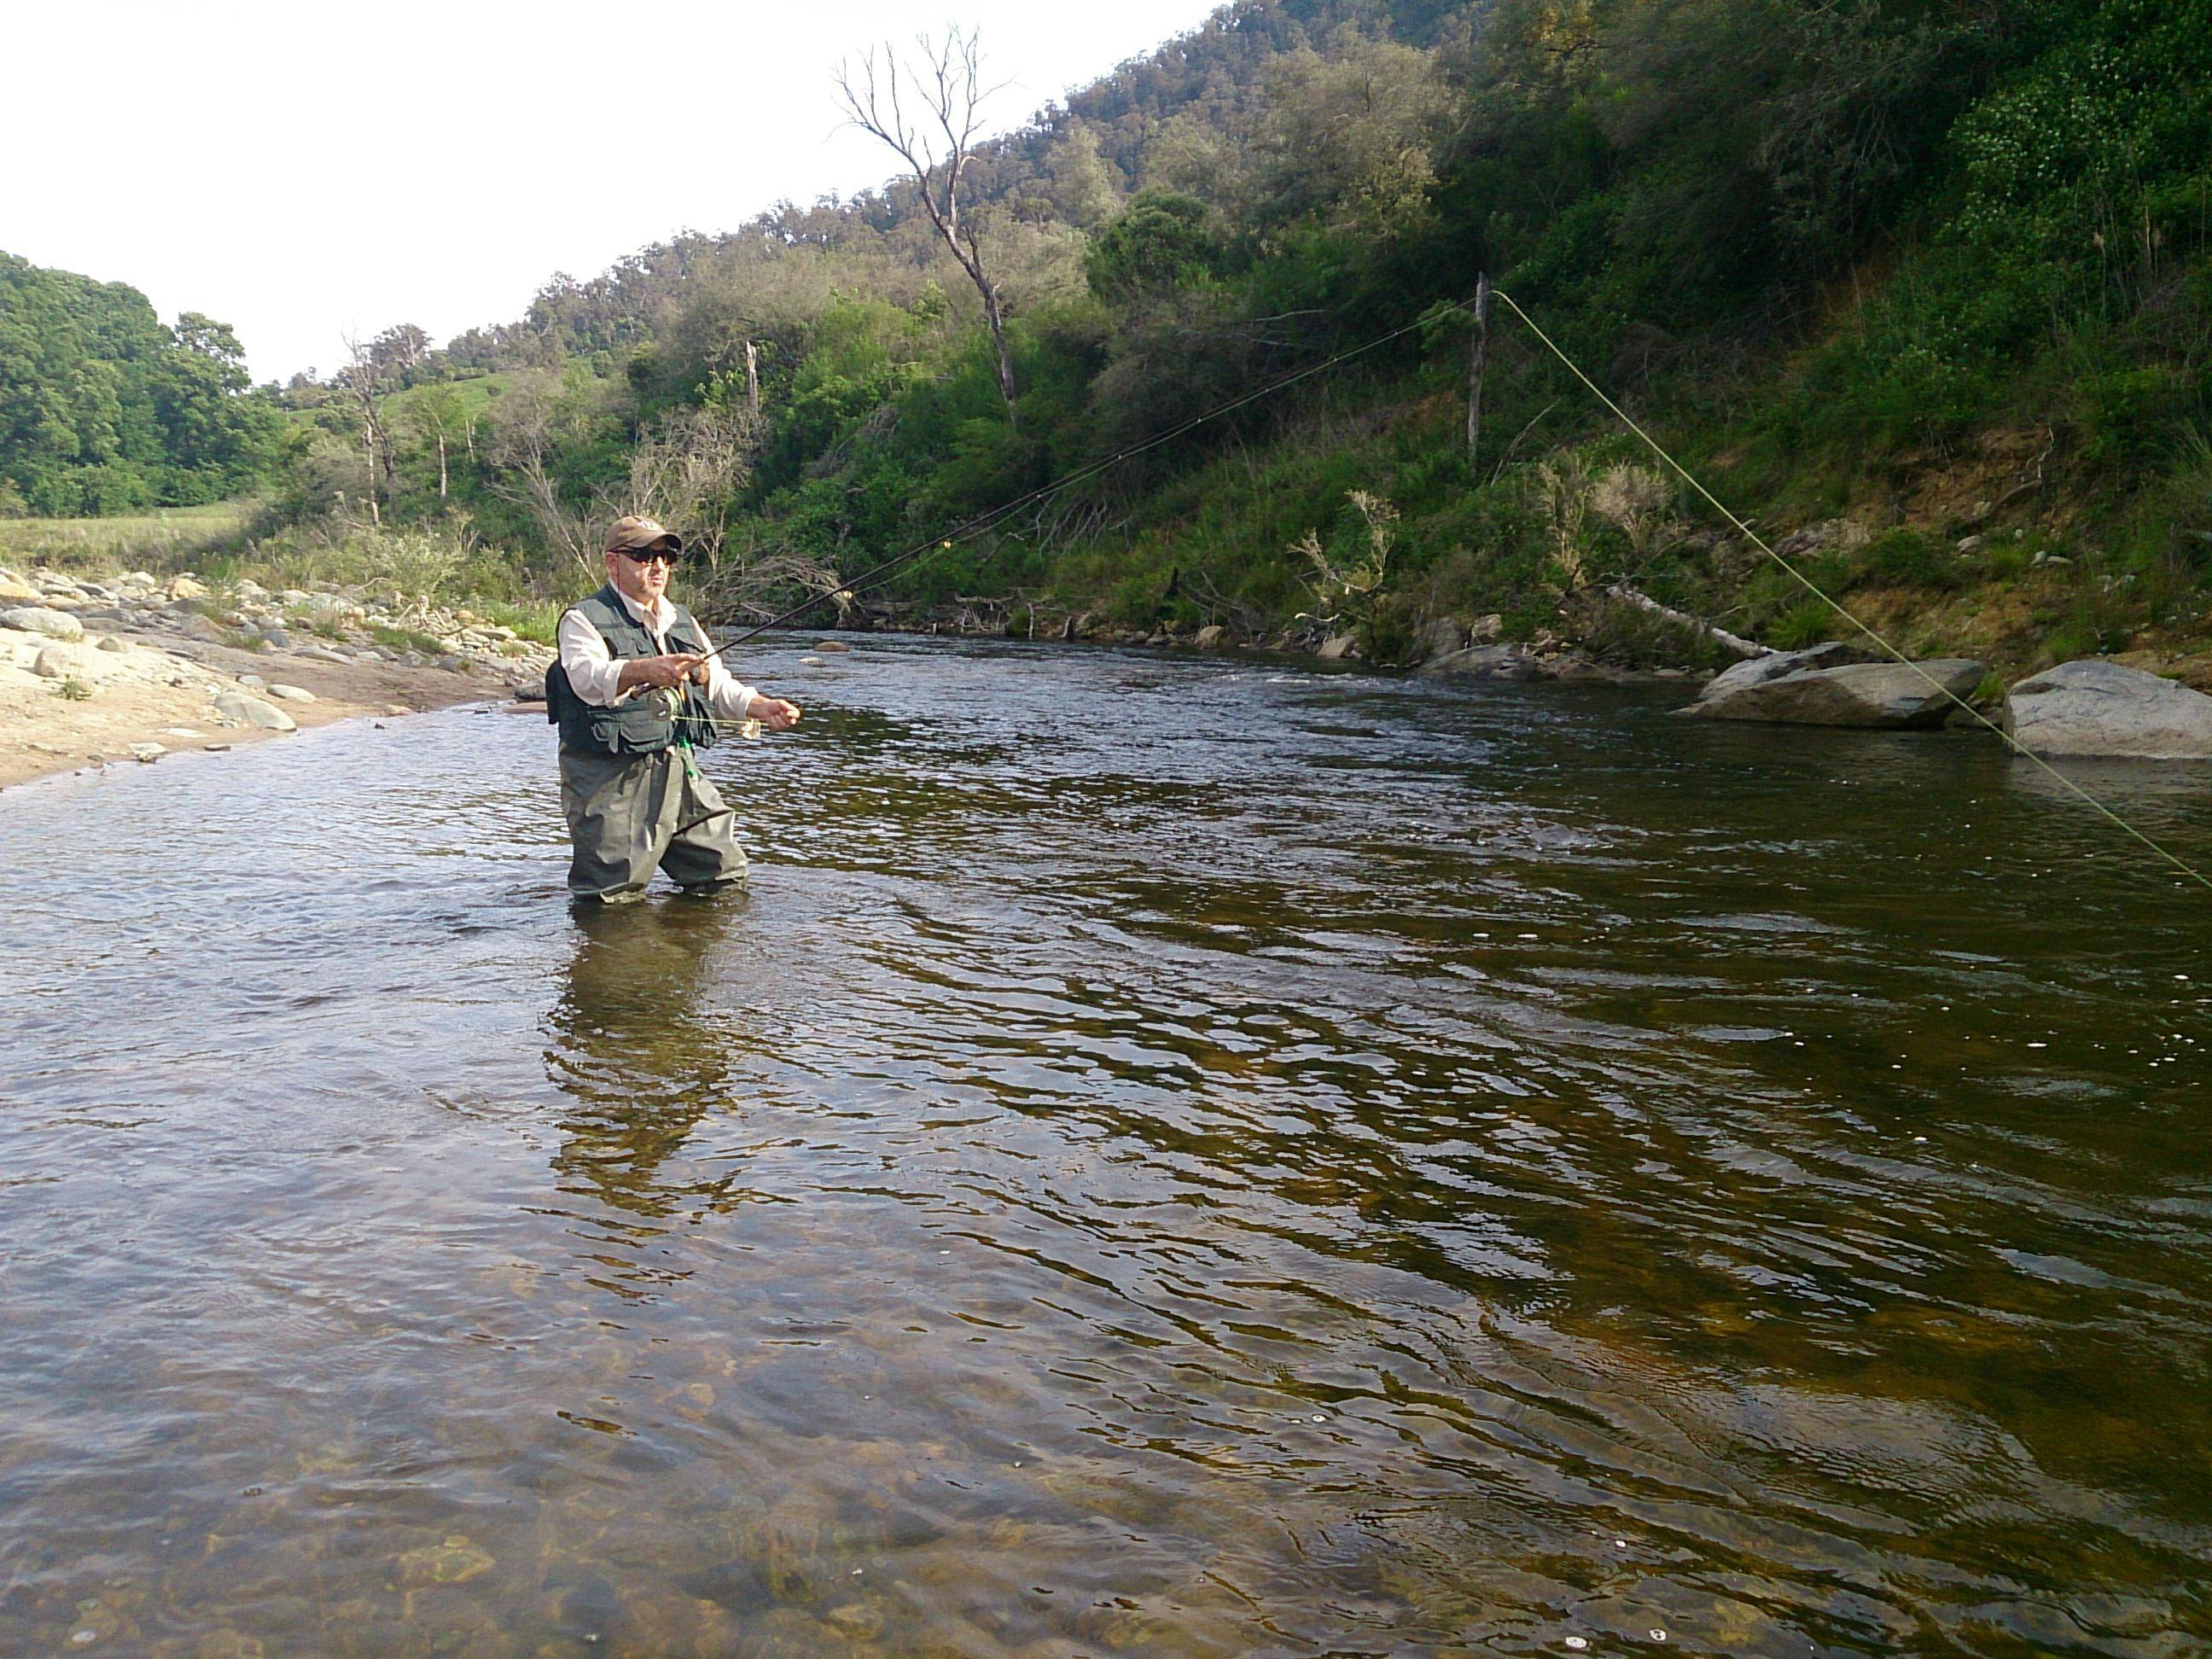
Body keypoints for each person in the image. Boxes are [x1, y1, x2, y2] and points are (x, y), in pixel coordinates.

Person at [546, 515, 800, 902]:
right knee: (611, 896)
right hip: (610, 777)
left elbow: (717, 683)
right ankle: (611, 961)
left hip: (679, 770)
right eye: (644, 556)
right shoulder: (583, 619)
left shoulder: (681, 619)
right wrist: (644, 670)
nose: (659, 566)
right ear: (613, 563)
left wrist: (760, 707)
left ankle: (688, 957)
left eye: (666, 557)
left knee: (722, 875)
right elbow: (586, 678)